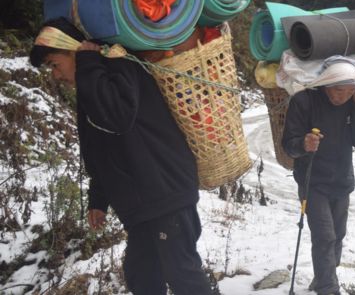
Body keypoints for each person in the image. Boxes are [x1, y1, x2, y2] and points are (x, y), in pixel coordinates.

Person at [29, 18, 218, 295]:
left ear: (77, 50)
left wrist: (90, 63)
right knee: (142, 275)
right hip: (144, 202)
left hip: (165, 192)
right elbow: (101, 147)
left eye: (55, 64)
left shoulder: (120, 66)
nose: (55, 75)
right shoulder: (94, 85)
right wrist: (99, 198)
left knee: (181, 274)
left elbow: (117, 118)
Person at [282, 57, 355, 295]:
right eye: (338, 90)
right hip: (313, 181)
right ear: (326, 83)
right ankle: (328, 288)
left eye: (349, 91)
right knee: (325, 237)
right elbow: (288, 145)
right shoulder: (304, 101)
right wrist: (304, 143)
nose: (342, 97)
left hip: (342, 179)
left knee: (338, 236)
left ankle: (322, 277)